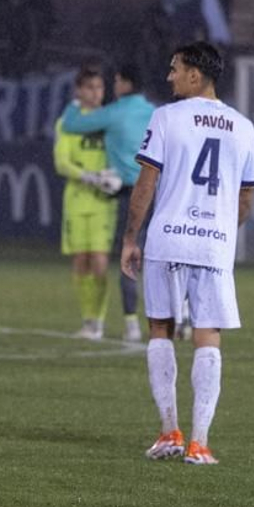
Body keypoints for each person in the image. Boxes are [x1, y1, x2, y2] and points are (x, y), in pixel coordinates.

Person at [121, 41, 254, 466]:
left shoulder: (166, 118)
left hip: (167, 239)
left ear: (196, 74)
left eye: (175, 68)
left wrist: (130, 237)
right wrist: (220, 230)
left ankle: (169, 432)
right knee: (208, 335)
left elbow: (147, 182)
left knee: (160, 329)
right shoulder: (243, 126)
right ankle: (199, 443)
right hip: (214, 245)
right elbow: (247, 195)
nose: (169, 76)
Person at [60, 64, 156, 344]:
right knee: (159, 258)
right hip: (157, 190)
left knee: (129, 255)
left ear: (125, 83)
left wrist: (76, 103)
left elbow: (72, 124)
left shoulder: (114, 113)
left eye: (116, 81)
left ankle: (131, 324)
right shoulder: (154, 112)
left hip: (129, 191)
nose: (113, 86)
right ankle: (181, 315)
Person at [54, 66, 122, 339]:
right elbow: (61, 162)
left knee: (100, 262)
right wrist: (89, 176)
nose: (96, 93)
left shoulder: (110, 122)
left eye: (100, 88)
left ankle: (99, 321)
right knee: (81, 261)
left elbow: (124, 154)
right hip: (76, 200)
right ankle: (88, 319)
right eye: (90, 88)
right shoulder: (67, 124)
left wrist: (115, 174)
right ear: (79, 91)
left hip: (103, 203)